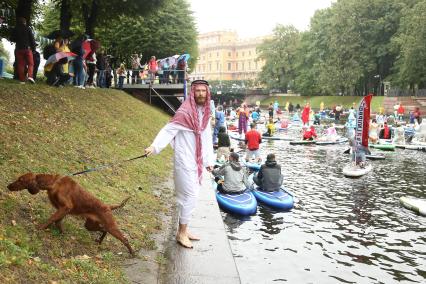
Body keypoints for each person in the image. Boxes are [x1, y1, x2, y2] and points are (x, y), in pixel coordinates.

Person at [144, 80, 215, 249]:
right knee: (190, 196)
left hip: (196, 162)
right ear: (192, 93)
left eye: (203, 91)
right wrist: (154, 146)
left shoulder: (204, 113)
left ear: (207, 93)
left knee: (191, 196)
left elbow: (206, 139)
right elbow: (168, 130)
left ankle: (184, 229)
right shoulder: (185, 112)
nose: (200, 94)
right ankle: (181, 233)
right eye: (197, 91)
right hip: (184, 160)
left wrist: (208, 161)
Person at [10, 17, 36, 84]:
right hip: (27, 49)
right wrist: (34, 49)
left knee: (21, 64)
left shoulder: (15, 29)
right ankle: (30, 76)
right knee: (31, 63)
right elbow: (32, 40)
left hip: (18, 49)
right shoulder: (28, 29)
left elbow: (12, 39)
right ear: (25, 22)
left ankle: (22, 80)